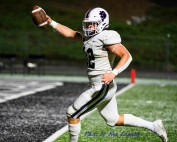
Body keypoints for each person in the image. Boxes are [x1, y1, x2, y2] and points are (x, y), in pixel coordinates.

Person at [46, 7, 167, 142]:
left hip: (102, 85)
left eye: (93, 23)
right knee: (113, 119)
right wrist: (51, 22)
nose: (90, 26)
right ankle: (154, 126)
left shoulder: (106, 36)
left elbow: (126, 56)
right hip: (98, 84)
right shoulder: (88, 36)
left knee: (72, 113)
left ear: (103, 23)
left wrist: (113, 73)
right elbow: (70, 33)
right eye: (88, 23)